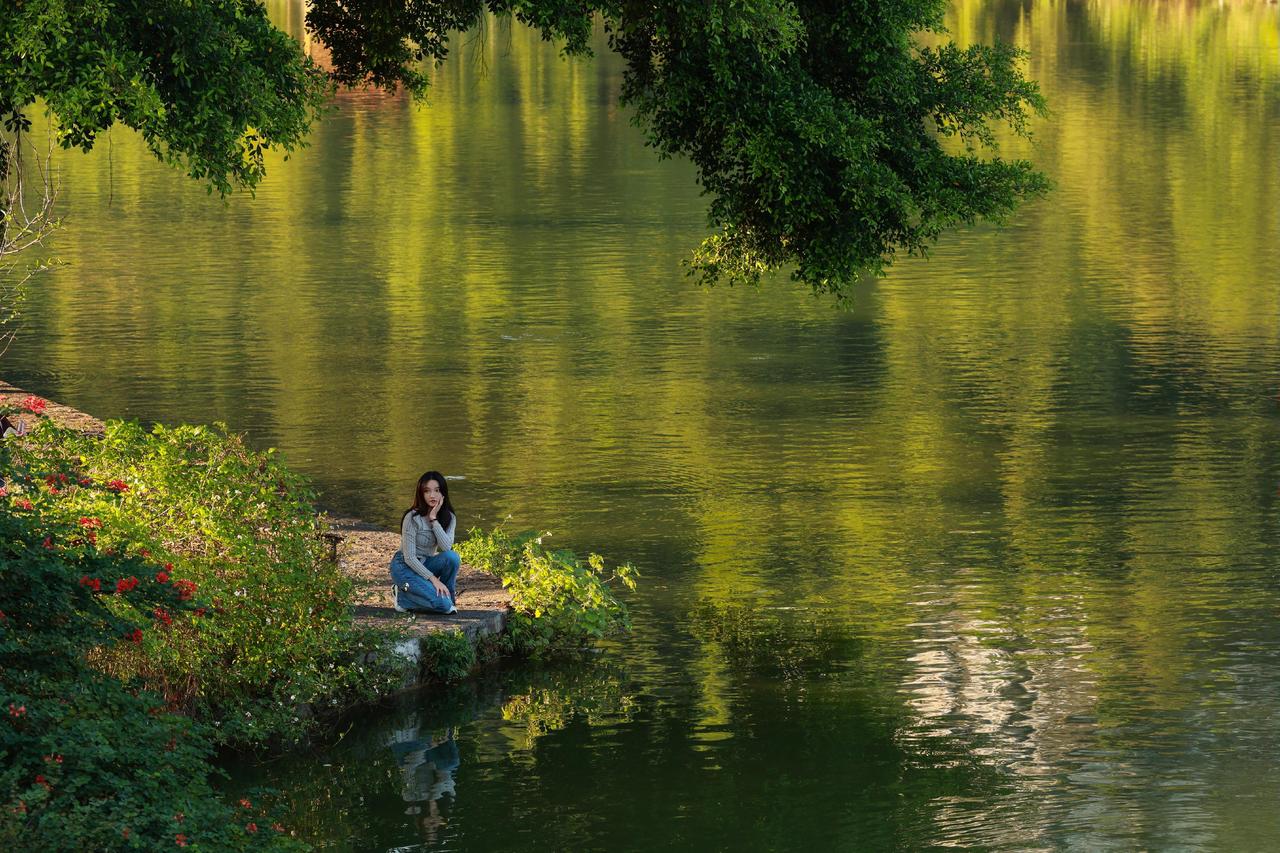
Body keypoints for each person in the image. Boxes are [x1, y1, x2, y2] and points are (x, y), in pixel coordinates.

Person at [389, 471, 461, 614]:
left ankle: (447, 598)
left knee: (452, 557)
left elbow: (446, 547)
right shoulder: (412, 518)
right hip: (404, 566)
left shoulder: (449, 517)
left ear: (443, 493)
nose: (432, 495)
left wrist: (434, 519)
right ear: (421, 494)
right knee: (442, 605)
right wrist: (434, 580)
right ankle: (402, 597)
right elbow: (409, 558)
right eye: (427, 491)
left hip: (425, 563)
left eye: (437, 490)